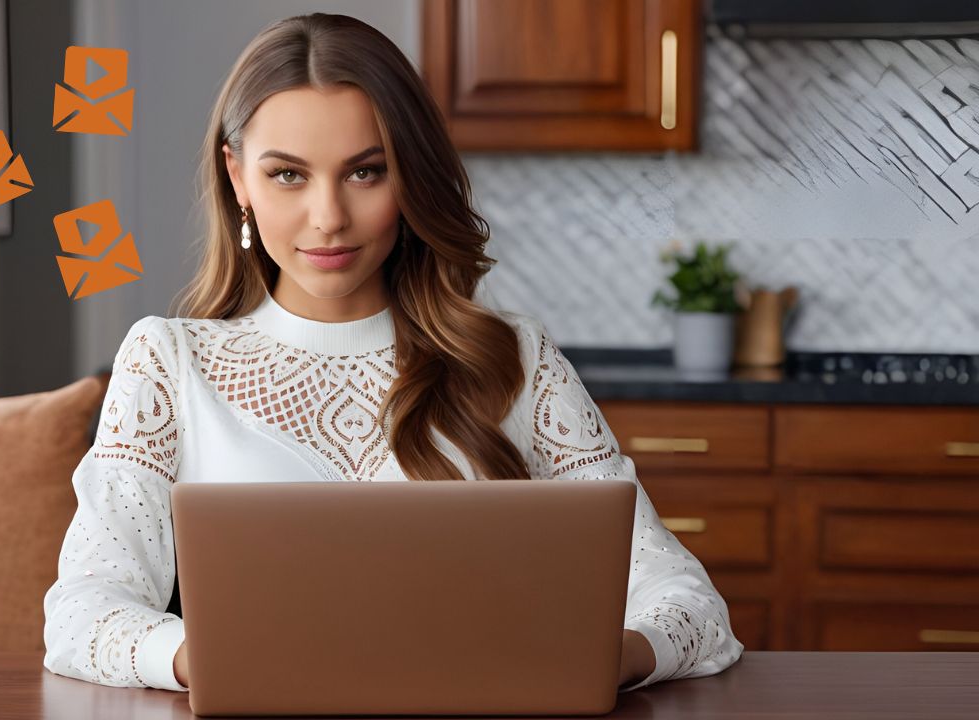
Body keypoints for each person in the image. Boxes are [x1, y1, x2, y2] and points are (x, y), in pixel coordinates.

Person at [43, 12, 743, 695]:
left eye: (365, 172)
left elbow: (690, 606)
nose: (328, 217)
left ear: (409, 176)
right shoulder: (167, 362)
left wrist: (596, 661)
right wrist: (209, 660)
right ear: (237, 178)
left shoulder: (515, 360)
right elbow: (80, 614)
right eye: (288, 174)